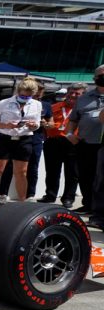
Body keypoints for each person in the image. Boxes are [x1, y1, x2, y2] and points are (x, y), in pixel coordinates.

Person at [0, 78, 43, 206]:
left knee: (21, 172)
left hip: (24, 139)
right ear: (18, 91)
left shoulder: (37, 104)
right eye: (22, 95)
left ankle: (22, 203)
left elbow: (37, 123)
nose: (25, 98)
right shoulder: (4, 103)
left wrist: (33, 125)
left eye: (29, 96)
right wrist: (5, 125)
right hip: (4, 139)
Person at [0, 82, 53, 203]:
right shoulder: (16, 102)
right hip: (20, 137)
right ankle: (3, 193)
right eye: (35, 92)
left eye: (39, 92)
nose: (36, 94)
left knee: (32, 168)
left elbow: (51, 123)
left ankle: (30, 195)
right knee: (9, 166)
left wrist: (44, 124)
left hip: (36, 140)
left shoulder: (45, 105)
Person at [38, 83, 85, 208]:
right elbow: (47, 120)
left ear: (83, 95)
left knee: (72, 173)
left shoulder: (83, 109)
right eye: (71, 92)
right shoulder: (54, 106)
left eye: (77, 93)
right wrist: (46, 124)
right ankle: (50, 195)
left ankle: (68, 198)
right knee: (52, 171)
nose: (73, 95)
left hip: (73, 142)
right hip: (54, 141)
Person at [66, 64, 104, 214]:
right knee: (85, 175)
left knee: (101, 179)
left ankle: (99, 210)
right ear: (94, 78)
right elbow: (73, 119)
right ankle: (88, 204)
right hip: (85, 143)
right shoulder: (83, 98)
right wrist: (70, 135)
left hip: (103, 144)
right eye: (101, 75)